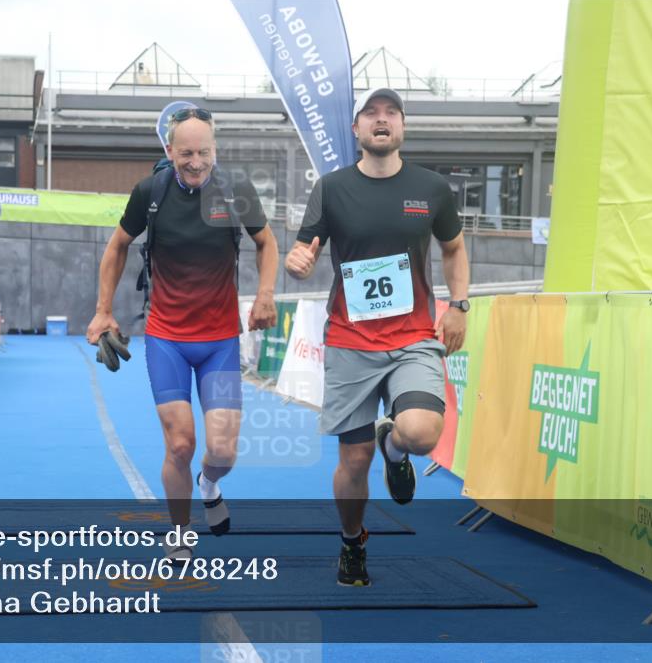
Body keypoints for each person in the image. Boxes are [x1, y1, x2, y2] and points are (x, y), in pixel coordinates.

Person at [284, 88, 470, 587]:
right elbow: (305, 250)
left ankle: (397, 448)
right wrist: (296, 262)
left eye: (391, 114)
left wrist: (460, 305)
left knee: (422, 433)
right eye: (371, 114)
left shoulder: (431, 189)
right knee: (353, 459)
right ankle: (352, 542)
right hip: (350, 341)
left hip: (412, 338)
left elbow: (453, 248)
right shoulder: (332, 187)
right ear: (357, 130)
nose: (381, 120)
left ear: (403, 128)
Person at [87, 107, 278, 562]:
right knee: (180, 443)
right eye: (186, 152)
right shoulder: (149, 193)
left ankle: (209, 483)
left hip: (220, 342)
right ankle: (179, 530)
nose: (196, 161)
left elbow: (266, 242)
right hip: (167, 337)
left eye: (204, 152)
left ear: (216, 150)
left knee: (223, 450)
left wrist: (265, 293)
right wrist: (102, 311)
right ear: (170, 151)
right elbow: (116, 246)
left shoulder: (236, 191)